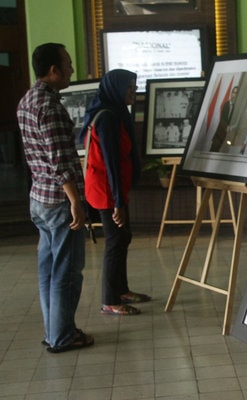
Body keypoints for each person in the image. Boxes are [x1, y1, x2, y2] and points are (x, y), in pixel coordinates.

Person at [16, 42, 94, 353]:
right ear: (54, 70)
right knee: (67, 270)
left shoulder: (27, 101)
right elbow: (60, 160)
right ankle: (63, 337)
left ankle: (55, 332)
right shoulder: (50, 107)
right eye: (68, 64)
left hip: (38, 198)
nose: (72, 69)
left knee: (48, 270)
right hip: (60, 203)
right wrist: (75, 201)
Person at [79, 69, 151, 315]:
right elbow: (110, 163)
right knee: (115, 241)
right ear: (116, 89)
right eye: (129, 87)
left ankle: (122, 290)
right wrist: (118, 201)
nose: (133, 92)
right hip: (107, 190)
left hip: (113, 188)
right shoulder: (108, 117)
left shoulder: (117, 112)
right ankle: (110, 300)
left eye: (134, 86)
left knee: (123, 237)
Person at [210, 85, 238, 152]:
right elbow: (222, 119)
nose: (233, 94)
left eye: (235, 93)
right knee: (213, 150)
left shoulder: (234, 107)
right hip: (219, 134)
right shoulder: (226, 104)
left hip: (224, 136)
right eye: (233, 92)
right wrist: (227, 127)